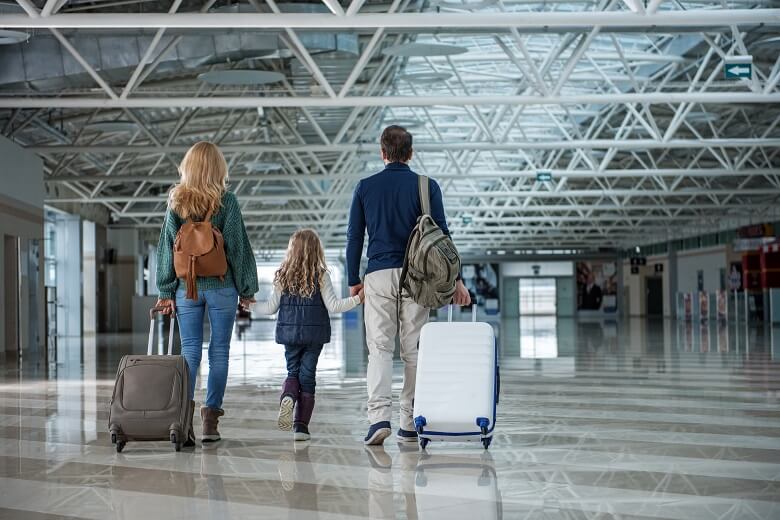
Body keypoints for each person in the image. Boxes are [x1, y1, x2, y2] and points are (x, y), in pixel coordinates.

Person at [346, 125, 471, 446]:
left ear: (382, 152)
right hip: (418, 276)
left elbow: (354, 238)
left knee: (380, 350)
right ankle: (410, 420)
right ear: (411, 153)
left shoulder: (365, 187)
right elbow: (443, 237)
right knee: (414, 351)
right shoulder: (427, 187)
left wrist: (352, 280)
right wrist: (457, 280)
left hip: (377, 274)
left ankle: (378, 420)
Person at [155, 141, 258, 445]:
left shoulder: (177, 202)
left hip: (188, 288)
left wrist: (165, 289)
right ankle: (210, 422)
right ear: (218, 168)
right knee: (220, 352)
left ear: (188, 167)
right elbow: (238, 248)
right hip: (222, 286)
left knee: (189, 352)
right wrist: (247, 288)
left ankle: (183, 422)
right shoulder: (227, 201)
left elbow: (166, 248)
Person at [254, 229, 364, 441]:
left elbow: (270, 308)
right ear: (317, 251)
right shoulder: (321, 275)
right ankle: (301, 427)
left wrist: (249, 306)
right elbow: (334, 306)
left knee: (292, 372)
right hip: (314, 336)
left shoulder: (282, 276)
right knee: (308, 377)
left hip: (290, 335)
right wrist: (358, 299)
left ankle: (287, 396)